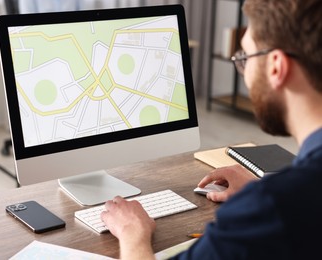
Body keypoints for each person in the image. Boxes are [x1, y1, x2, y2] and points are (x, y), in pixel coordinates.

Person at [101, 0, 322, 259]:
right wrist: (261, 191)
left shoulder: (272, 207)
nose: (244, 73)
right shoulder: (290, 197)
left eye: (245, 58)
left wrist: (132, 233)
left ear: (276, 66)